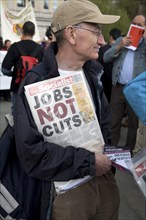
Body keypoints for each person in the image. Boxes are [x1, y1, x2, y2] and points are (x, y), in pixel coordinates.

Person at [14, 1, 120, 220]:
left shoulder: (93, 75)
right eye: (96, 32)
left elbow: (105, 125)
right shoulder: (36, 83)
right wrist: (89, 162)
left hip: (105, 185)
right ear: (71, 34)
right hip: (67, 195)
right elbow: (31, 153)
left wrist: (109, 162)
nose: (102, 40)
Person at [103, 15, 146, 152]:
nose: (136, 26)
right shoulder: (122, 41)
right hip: (118, 87)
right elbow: (105, 57)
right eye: (134, 23)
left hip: (135, 91)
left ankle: (129, 153)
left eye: (140, 24)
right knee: (113, 122)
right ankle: (112, 153)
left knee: (134, 125)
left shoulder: (144, 45)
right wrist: (120, 45)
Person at [1, 21, 44, 114]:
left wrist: (14, 74)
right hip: (34, 88)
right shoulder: (40, 49)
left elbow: (4, 69)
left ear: (22, 32)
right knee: (33, 114)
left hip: (17, 86)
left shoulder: (14, 47)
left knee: (16, 114)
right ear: (34, 33)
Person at [98, 28, 121, 102]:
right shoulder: (122, 49)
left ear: (111, 37)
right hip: (114, 84)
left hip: (104, 83)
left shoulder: (103, 50)